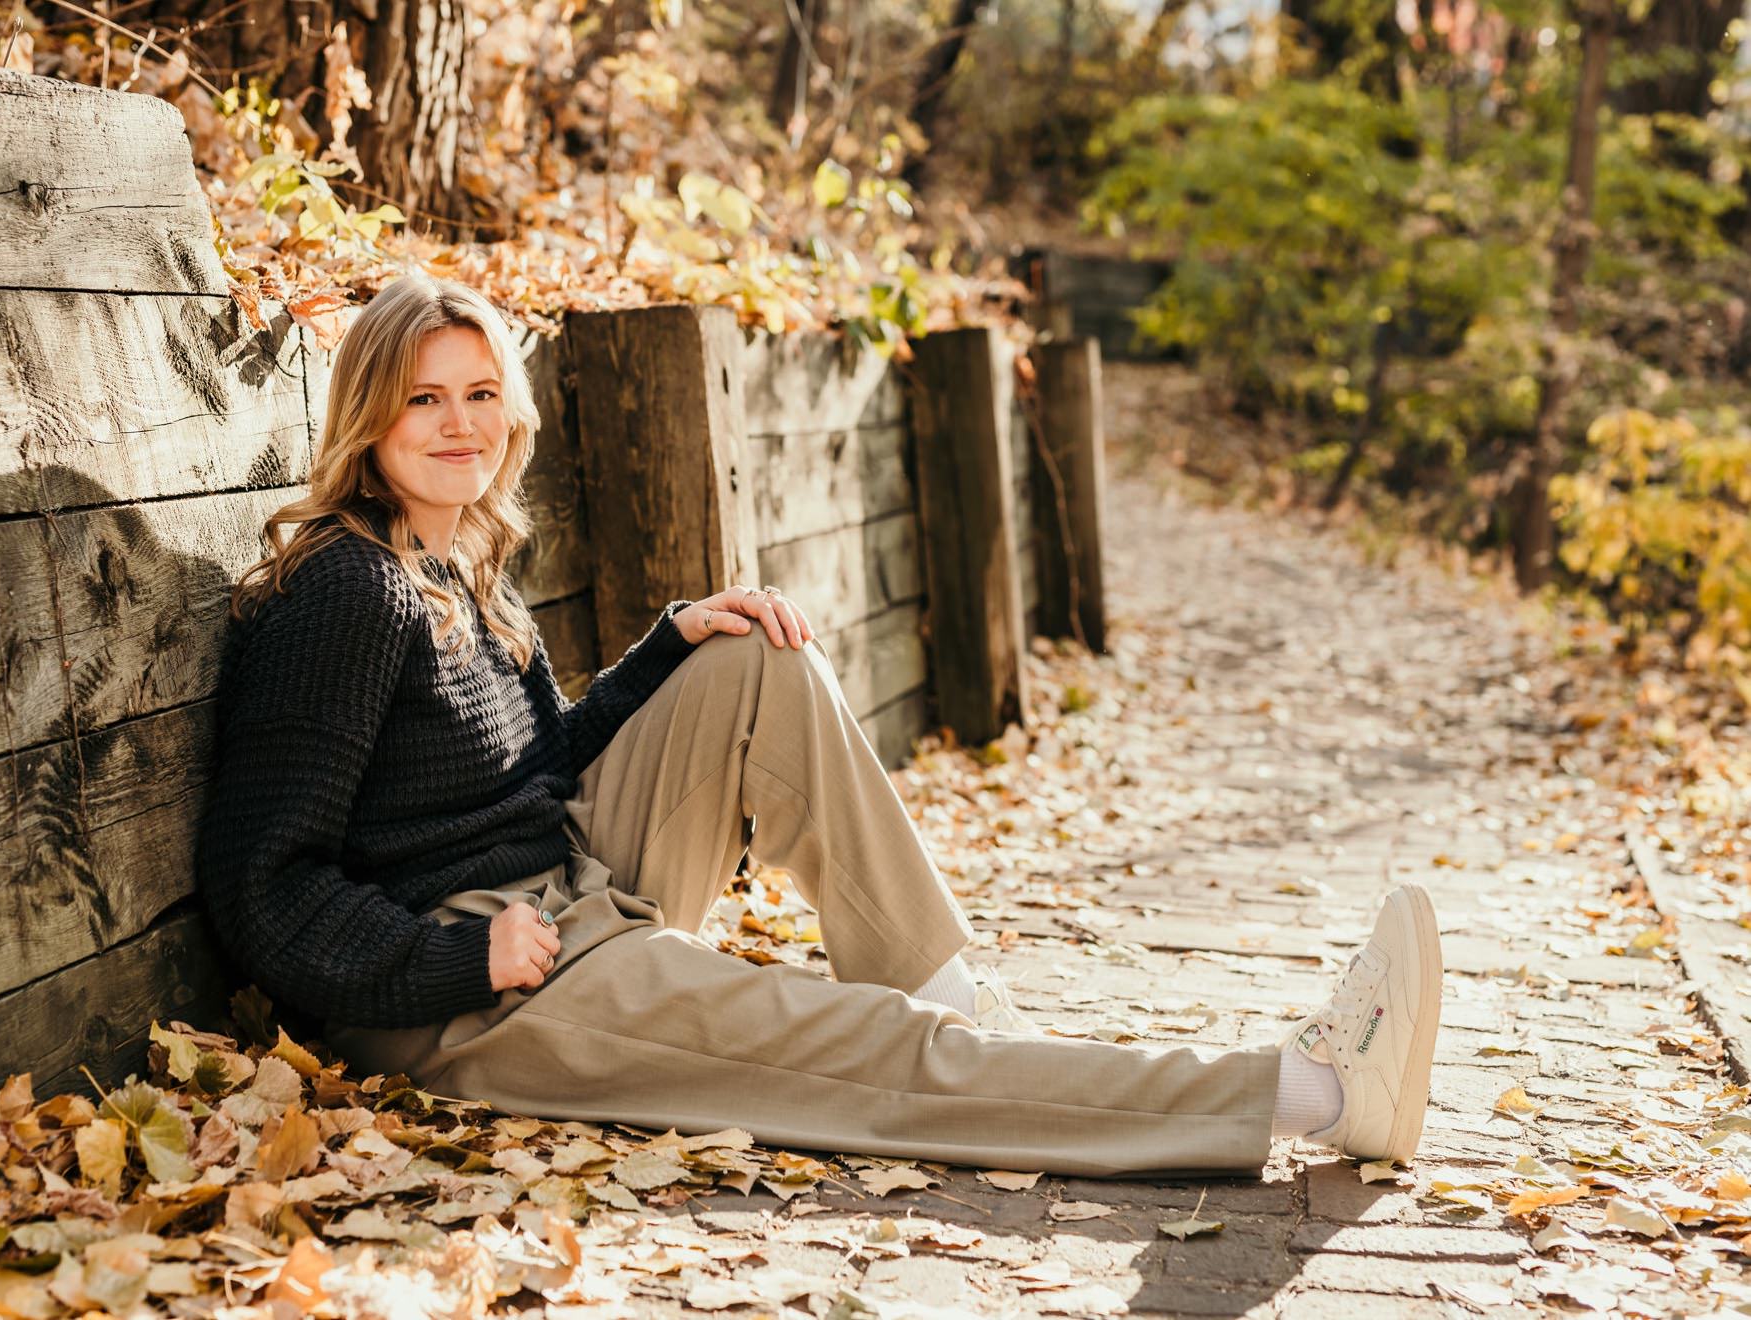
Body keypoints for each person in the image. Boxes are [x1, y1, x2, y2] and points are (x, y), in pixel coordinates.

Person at [194, 272, 1444, 1177]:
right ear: (370, 418)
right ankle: (1316, 1096)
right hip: (469, 989)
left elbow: (525, 772)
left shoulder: (454, 556)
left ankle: (973, 1013)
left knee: (760, 665)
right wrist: (463, 964)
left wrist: (669, 651)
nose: (460, 423)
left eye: (480, 393)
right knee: (873, 1053)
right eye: (424, 400)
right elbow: (264, 888)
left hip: (556, 888)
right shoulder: (344, 592)